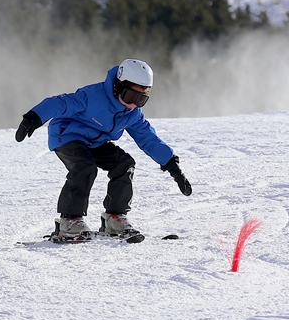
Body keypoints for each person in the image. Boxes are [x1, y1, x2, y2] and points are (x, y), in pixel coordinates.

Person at [14, 59, 193, 239]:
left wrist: (172, 166)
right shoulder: (93, 96)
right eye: (130, 96)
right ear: (117, 86)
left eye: (141, 100)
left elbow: (149, 139)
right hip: (67, 135)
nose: (132, 104)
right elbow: (60, 103)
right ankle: (69, 221)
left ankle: (115, 218)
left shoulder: (132, 113)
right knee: (85, 167)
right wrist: (33, 118)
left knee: (124, 164)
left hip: (95, 142)